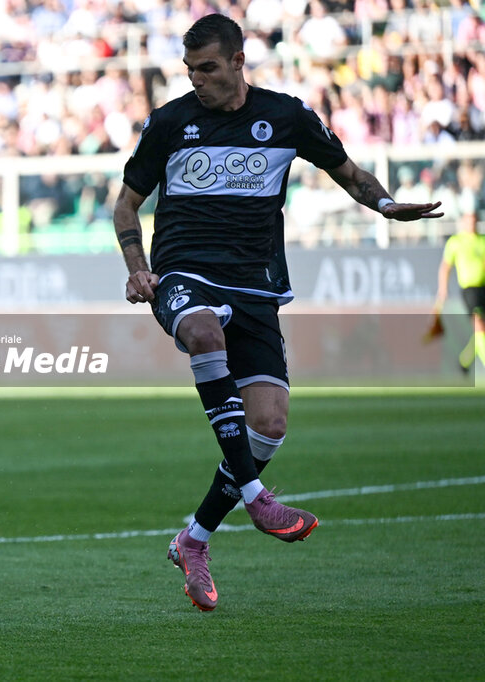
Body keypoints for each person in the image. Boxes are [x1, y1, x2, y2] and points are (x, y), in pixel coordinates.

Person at [112, 14, 442, 612]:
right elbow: (126, 205)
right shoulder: (170, 122)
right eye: (190, 70)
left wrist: (386, 204)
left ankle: (194, 539)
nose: (196, 80)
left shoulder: (286, 116)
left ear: (239, 61)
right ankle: (257, 496)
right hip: (183, 272)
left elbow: (349, 174)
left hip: (256, 286)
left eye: (208, 68)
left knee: (269, 423)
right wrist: (138, 267)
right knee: (202, 332)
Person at [432, 200, 485, 373]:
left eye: (474, 220)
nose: (471, 224)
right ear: (463, 222)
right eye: (468, 220)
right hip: (470, 290)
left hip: (483, 289)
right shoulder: (456, 242)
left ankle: (464, 360)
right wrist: (443, 288)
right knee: (479, 325)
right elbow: (445, 266)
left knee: (481, 330)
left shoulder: (482, 241)